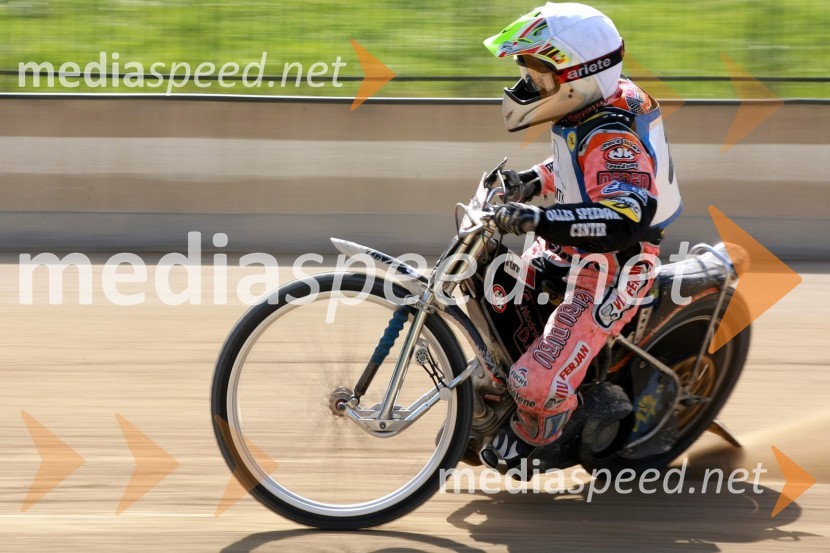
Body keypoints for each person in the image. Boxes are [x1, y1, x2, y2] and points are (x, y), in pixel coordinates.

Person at [478, 2, 682, 469]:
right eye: (528, 74)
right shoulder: (592, 108)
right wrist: (531, 181)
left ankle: (539, 437)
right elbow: (580, 167)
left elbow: (623, 218)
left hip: (611, 266)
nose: (529, 86)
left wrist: (538, 219)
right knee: (498, 309)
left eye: (540, 77)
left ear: (578, 77)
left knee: (534, 382)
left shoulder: (612, 135)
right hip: (569, 246)